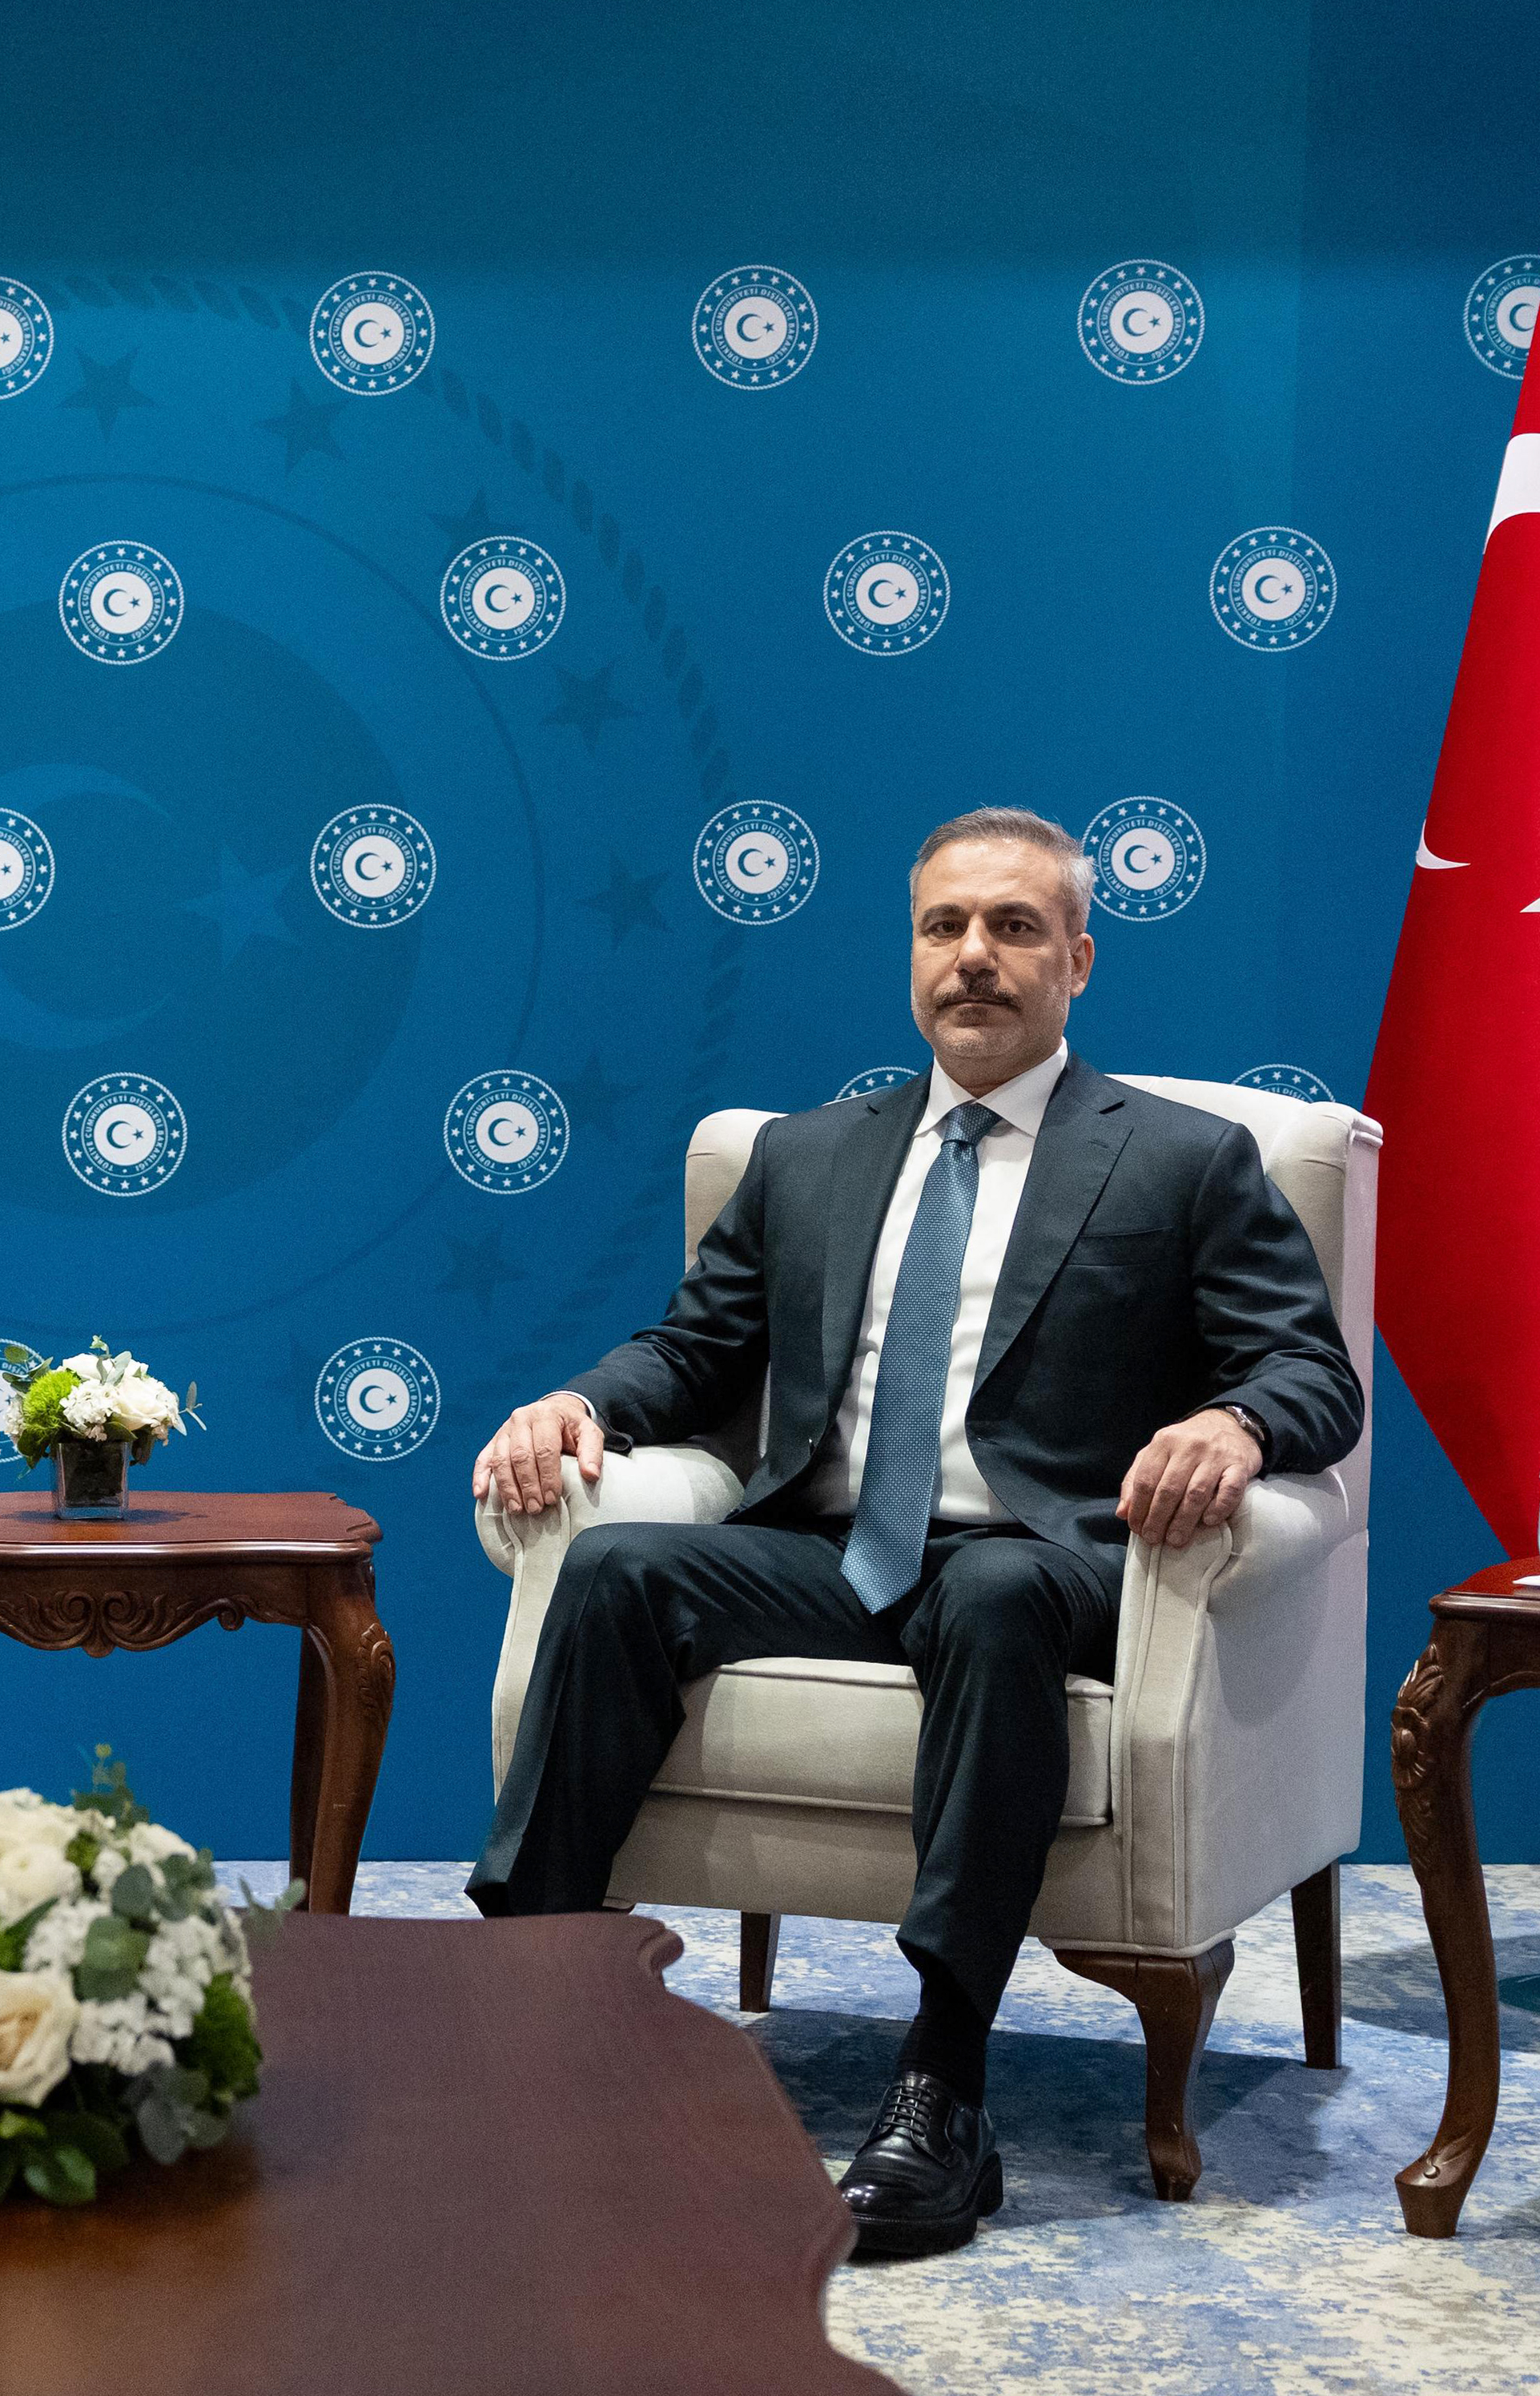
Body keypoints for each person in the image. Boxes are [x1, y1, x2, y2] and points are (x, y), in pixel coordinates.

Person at [466, 807, 1360, 2257]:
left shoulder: (1185, 1160)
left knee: (996, 1592)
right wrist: (576, 1403)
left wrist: (1236, 1425)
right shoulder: (812, 1153)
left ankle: (942, 2086)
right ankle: (532, 2012)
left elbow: (1312, 1371)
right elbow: (697, 1350)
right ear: (910, 959)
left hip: (1045, 1558)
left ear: (1078, 957)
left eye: (1014, 929)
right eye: (945, 928)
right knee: (620, 1566)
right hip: (833, 1555)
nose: (975, 960)